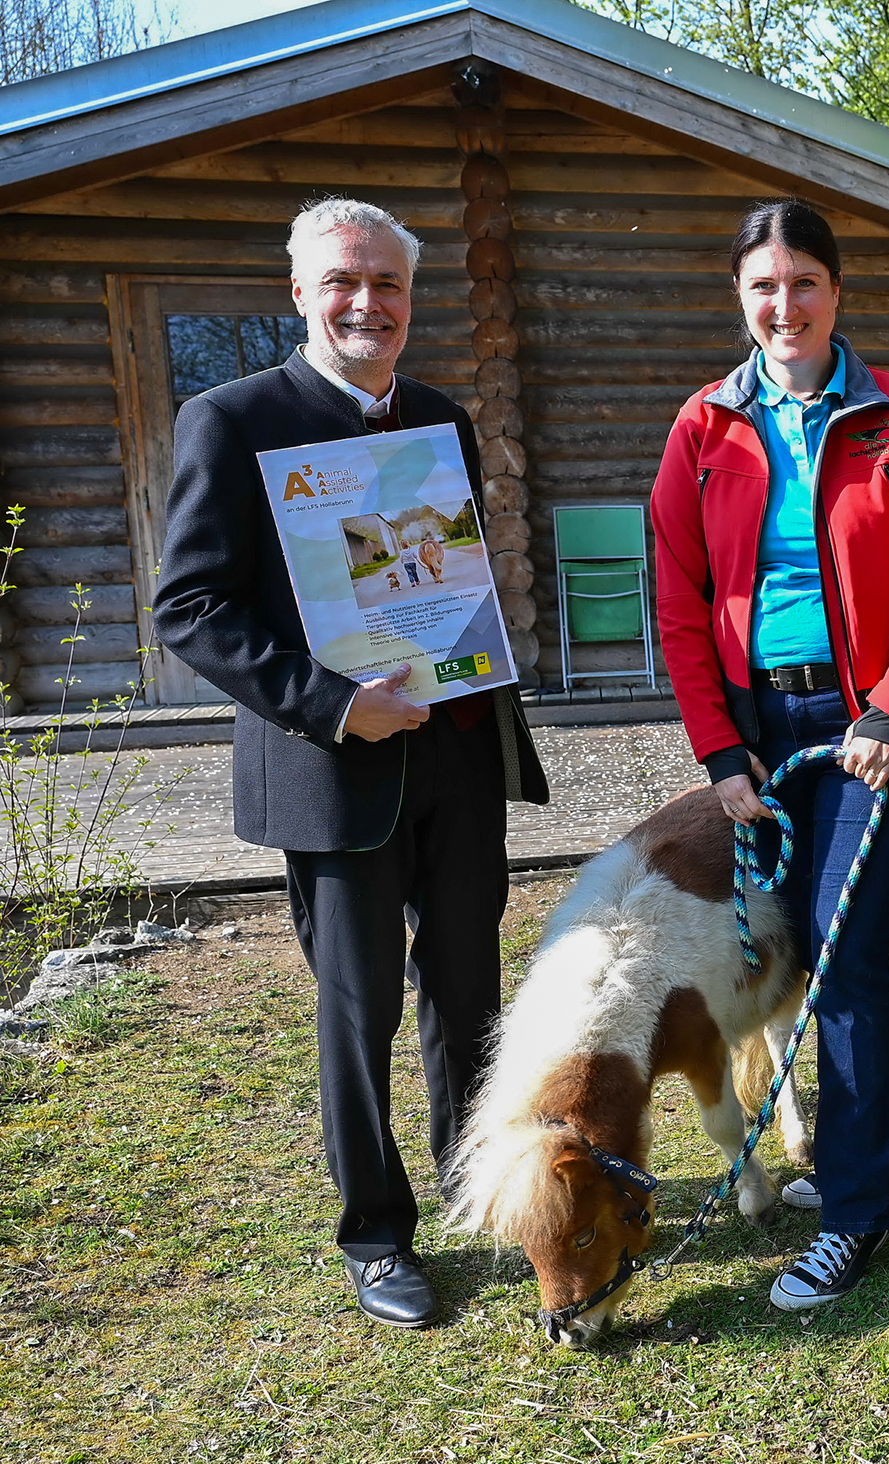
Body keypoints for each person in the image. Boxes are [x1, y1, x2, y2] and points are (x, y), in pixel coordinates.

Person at [152, 198, 549, 1329]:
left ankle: (485, 1194)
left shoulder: (440, 419)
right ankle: (376, 1235)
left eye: (388, 284)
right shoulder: (231, 420)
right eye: (344, 282)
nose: (367, 302)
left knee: (471, 995)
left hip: (460, 754)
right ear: (300, 292)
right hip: (335, 771)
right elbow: (189, 607)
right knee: (360, 1006)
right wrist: (331, 706)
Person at [649, 198, 889, 1313]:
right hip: (759, 731)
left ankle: (853, 1210)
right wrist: (719, 748)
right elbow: (681, 605)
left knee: (841, 951)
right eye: (763, 288)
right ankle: (885, 1138)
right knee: (788, 952)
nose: (785, 306)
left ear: (838, 292)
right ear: (741, 298)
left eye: (804, 283)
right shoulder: (701, 430)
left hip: (878, 726)